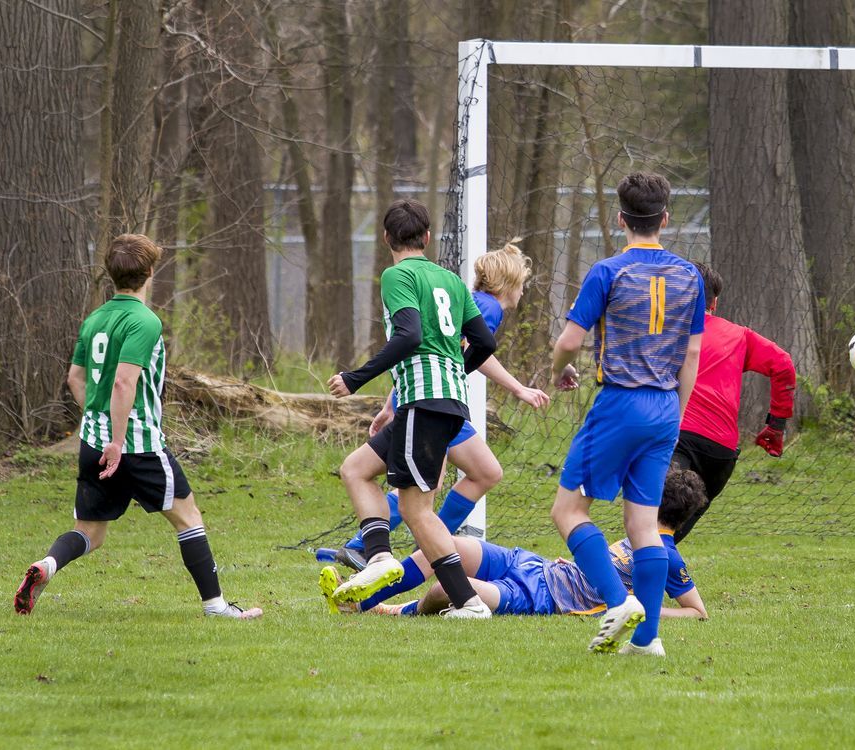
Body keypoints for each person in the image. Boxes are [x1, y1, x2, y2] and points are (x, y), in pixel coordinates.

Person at [13, 234, 262, 620]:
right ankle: (216, 607)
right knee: (188, 517)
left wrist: (97, 425)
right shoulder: (144, 320)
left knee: (90, 532)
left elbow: (75, 380)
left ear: (111, 275)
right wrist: (116, 439)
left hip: (93, 443)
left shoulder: (95, 319)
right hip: (136, 444)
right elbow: (123, 383)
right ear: (149, 273)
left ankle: (46, 566)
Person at [549, 173, 704, 657]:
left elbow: (570, 341)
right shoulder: (690, 276)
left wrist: (561, 369)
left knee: (568, 510)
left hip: (620, 401)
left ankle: (619, 603)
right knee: (642, 523)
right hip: (663, 408)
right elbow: (692, 356)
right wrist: (675, 414)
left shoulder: (608, 271)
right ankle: (648, 639)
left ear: (621, 219)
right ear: (665, 218)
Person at [331, 240, 550, 572]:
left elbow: (437, 355)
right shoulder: (488, 308)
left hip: (428, 398)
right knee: (435, 486)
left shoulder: (474, 302)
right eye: (522, 285)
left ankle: (397, 544)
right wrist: (519, 388)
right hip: (439, 403)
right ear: (509, 284)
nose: (523, 293)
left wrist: (392, 403)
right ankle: (418, 549)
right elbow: (470, 353)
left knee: (482, 472)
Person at [326, 199, 497, 618]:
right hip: (435, 401)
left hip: (424, 402)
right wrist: (455, 373)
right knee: (356, 469)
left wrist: (355, 378)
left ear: (387, 239)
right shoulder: (452, 281)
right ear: (426, 237)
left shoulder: (396, 275)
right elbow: (486, 343)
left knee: (416, 509)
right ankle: (379, 556)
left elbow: (408, 335)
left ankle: (468, 603)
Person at [319, 468, 708, 621]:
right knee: (449, 547)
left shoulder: (668, 558)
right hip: (534, 564)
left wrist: (637, 609)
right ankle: (361, 597)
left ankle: (382, 610)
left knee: (447, 589)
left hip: (540, 597)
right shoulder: (639, 531)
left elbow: (698, 613)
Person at [671, 262, 796, 542]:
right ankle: (622, 580)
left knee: (654, 530)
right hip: (720, 454)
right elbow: (784, 365)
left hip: (677, 440)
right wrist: (776, 425)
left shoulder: (666, 331)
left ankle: (600, 580)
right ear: (714, 303)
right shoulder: (740, 335)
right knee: (666, 534)